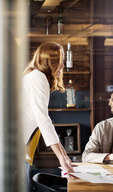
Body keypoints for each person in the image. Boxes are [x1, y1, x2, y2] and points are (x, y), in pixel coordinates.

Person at [22, 42, 74, 176]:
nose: (62, 65)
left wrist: (64, 155)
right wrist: (62, 158)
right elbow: (43, 119)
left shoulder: (36, 76)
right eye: (59, 61)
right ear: (48, 62)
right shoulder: (37, 78)